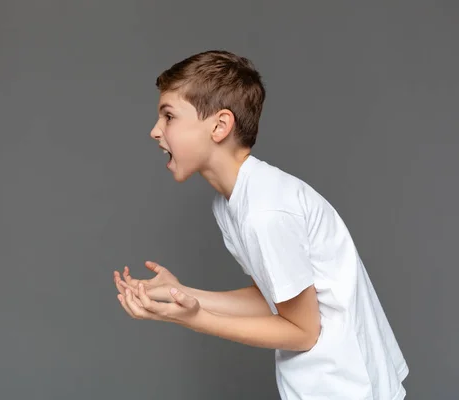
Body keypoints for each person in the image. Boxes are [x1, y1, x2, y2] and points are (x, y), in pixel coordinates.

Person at [113, 50, 409, 399]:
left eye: (168, 116)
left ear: (220, 126)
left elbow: (303, 331)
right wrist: (183, 296)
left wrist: (194, 319)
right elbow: (273, 299)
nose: (155, 131)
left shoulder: (265, 211)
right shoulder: (232, 204)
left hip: (349, 388)